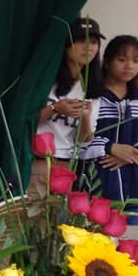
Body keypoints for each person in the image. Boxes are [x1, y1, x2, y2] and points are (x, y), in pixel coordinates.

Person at [30, 17, 104, 198]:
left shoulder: (92, 87)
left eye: (94, 42)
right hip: (36, 160)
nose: (89, 47)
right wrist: (55, 108)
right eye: (81, 40)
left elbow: (84, 140)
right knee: (31, 212)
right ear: (66, 45)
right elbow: (25, 121)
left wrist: (85, 117)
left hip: (66, 163)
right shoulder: (46, 80)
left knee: (57, 214)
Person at [83, 35, 138, 225]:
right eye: (121, 59)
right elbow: (80, 143)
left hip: (137, 194)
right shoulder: (93, 97)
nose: (129, 66)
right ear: (106, 62)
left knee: (137, 241)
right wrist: (111, 148)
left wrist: (133, 154)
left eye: (135, 61)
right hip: (99, 191)